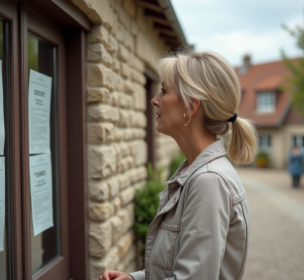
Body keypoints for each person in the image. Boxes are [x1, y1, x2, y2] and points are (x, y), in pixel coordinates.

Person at [99, 50, 256, 280]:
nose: (154, 99)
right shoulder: (194, 173)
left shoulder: (209, 181)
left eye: (163, 90)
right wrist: (135, 279)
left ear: (191, 106)